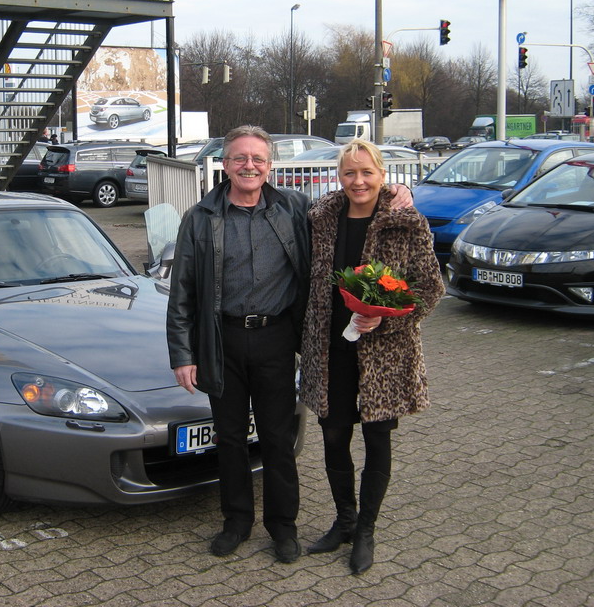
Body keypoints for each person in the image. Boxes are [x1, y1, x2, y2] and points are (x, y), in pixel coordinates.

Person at [167, 126, 415, 564]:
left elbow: (353, 197)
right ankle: (236, 522)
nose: (249, 166)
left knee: (278, 438)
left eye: (258, 159)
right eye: (240, 158)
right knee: (230, 438)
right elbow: (182, 290)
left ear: (269, 166)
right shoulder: (200, 217)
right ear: (225, 164)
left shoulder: (295, 208)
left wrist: (397, 191)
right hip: (221, 340)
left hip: (277, 338)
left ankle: (283, 527)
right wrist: (183, 355)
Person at [299, 138, 443, 575]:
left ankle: (366, 530)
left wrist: (387, 318)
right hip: (331, 348)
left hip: (384, 354)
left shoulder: (406, 222)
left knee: (377, 438)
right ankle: (344, 520)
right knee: (333, 436)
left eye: (367, 172)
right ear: (339, 177)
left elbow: (431, 287)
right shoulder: (321, 218)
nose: (358, 181)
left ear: (383, 175)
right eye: (349, 173)